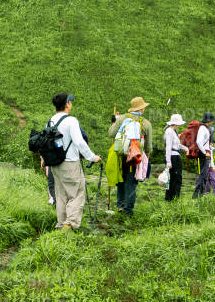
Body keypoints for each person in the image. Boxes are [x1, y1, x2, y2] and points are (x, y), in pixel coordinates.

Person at [46, 92, 100, 230]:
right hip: (70, 163)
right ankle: (69, 225)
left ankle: (61, 223)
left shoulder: (51, 120)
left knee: (61, 194)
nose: (71, 104)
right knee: (76, 193)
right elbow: (79, 141)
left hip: (55, 165)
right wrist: (92, 157)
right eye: (70, 102)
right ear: (67, 104)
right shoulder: (71, 121)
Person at [109, 97, 150, 215]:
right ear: (141, 108)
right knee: (131, 181)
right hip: (135, 156)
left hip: (121, 154)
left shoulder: (121, 118)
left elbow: (111, 133)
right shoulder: (146, 123)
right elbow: (149, 146)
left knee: (121, 178)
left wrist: (113, 123)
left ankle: (120, 205)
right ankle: (128, 210)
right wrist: (146, 155)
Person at [163, 113, 188, 201]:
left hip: (175, 155)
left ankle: (172, 197)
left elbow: (176, 145)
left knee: (175, 178)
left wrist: (185, 148)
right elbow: (168, 147)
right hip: (173, 157)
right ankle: (172, 198)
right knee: (175, 178)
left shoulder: (173, 131)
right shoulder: (169, 132)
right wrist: (168, 162)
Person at [193, 112, 215, 197]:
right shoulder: (202, 129)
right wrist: (205, 153)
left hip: (205, 153)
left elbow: (206, 144)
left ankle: (201, 193)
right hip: (203, 154)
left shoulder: (206, 129)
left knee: (204, 175)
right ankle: (196, 195)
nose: (212, 122)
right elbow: (199, 142)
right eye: (212, 120)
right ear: (209, 121)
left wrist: (212, 150)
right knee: (202, 175)